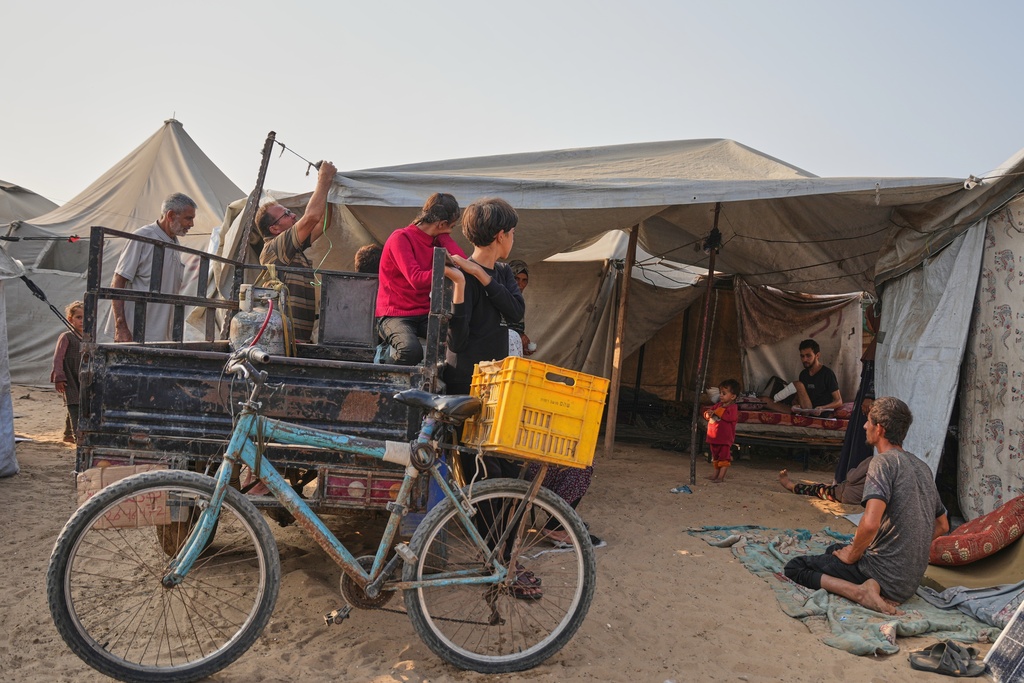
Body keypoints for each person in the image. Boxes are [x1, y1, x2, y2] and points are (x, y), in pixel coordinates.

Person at [443, 198, 536, 598]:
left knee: (507, 474)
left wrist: (481, 277)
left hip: (497, 386)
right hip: (465, 387)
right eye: (512, 233)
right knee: (479, 474)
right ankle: (498, 560)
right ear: (501, 235)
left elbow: (516, 312)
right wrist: (463, 284)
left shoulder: (500, 274)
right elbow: (457, 340)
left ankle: (503, 557)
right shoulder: (453, 271)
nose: (513, 239)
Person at [783, 397, 949, 614]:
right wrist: (907, 550)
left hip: (885, 576)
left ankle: (861, 592)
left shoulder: (882, 463)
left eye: (868, 421)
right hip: (908, 583)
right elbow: (943, 526)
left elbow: (870, 524)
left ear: (879, 428)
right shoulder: (922, 467)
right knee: (833, 551)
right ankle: (870, 585)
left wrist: (853, 555)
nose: (864, 426)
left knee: (796, 567)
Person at [376, 193, 467, 365]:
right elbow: (416, 279)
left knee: (458, 339)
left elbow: (463, 263)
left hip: (425, 313)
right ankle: (383, 366)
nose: (450, 231)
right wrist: (446, 270)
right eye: (451, 227)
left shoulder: (436, 239)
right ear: (441, 224)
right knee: (411, 352)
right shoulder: (401, 238)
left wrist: (443, 236)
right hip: (394, 314)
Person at [256, 161, 337, 344]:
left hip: (297, 340)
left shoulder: (292, 249)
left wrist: (328, 187)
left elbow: (323, 222)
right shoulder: (275, 247)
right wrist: (324, 178)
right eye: (286, 214)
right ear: (274, 228)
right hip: (285, 340)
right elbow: (312, 217)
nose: (293, 215)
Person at [107, 193, 195, 342]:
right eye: (188, 218)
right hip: (135, 332)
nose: (192, 224)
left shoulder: (174, 242)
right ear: (171, 215)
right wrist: (120, 326)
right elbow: (118, 280)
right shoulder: (143, 237)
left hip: (159, 335)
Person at [765, 339, 842, 413]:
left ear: (817, 355)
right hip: (804, 411)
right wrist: (795, 403)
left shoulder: (827, 374)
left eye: (808, 356)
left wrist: (822, 408)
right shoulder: (803, 374)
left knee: (798, 384)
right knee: (764, 400)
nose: (804, 359)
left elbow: (839, 401)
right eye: (802, 356)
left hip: (819, 412)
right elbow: (798, 398)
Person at [777, 455, 873, 504]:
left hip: (847, 495)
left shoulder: (873, 460)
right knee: (827, 487)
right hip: (857, 497)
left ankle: (791, 486)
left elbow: (852, 478)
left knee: (817, 489)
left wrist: (852, 470)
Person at [51, 300, 84, 444]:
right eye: (79, 317)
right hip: (69, 376)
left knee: (79, 402)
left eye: (85, 317)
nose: (82, 321)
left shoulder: (89, 338)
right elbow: (58, 358)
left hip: (82, 377)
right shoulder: (66, 337)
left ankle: (67, 434)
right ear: (70, 319)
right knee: (74, 404)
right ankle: (78, 437)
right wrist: (59, 377)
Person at [704, 379, 740, 483]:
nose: (721, 395)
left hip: (724, 438)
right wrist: (708, 414)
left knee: (724, 458)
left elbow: (729, 418)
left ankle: (721, 477)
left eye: (724, 393)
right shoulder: (718, 405)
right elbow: (709, 412)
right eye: (720, 393)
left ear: (733, 396)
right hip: (713, 437)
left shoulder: (732, 408)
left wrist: (716, 412)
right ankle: (715, 474)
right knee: (715, 457)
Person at [501, 260, 534, 356]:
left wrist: (521, 344)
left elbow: (517, 327)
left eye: (524, 280)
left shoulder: (518, 301)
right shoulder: (500, 296)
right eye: (516, 279)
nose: (520, 284)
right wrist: (518, 336)